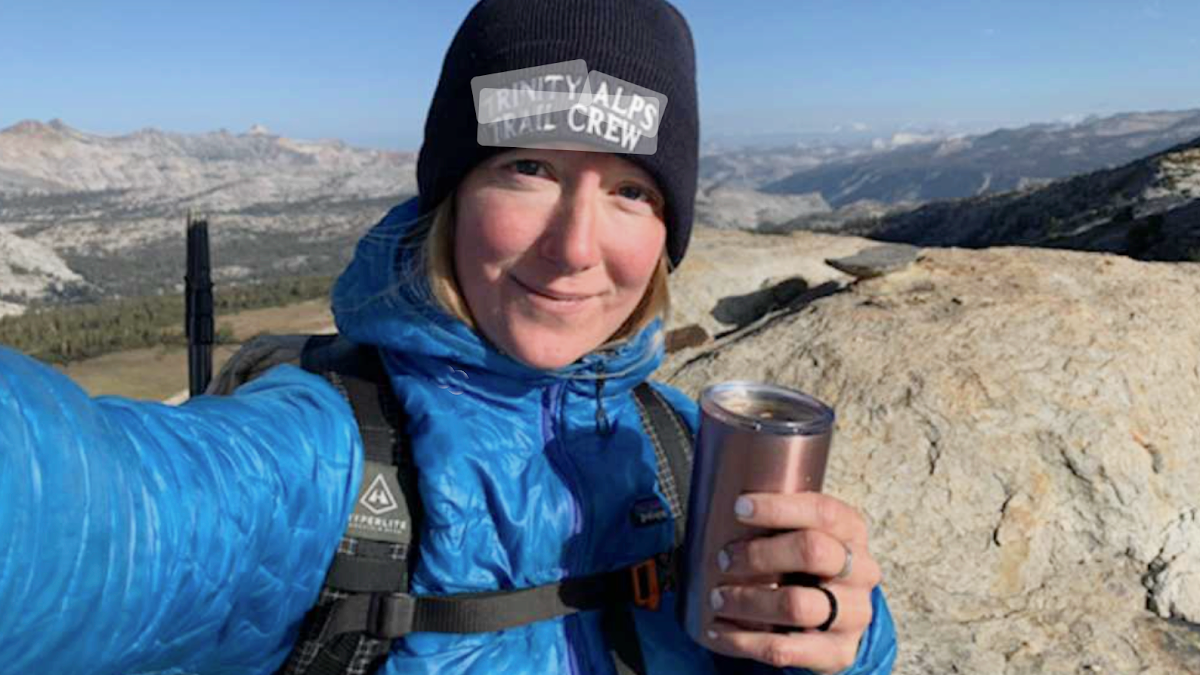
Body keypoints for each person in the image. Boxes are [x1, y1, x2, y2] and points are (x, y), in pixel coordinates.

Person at [0, 1, 896, 674]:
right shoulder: (325, 456)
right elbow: (98, 511)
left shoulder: (683, 453)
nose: (577, 247)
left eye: (631, 190)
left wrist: (848, 633)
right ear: (452, 199)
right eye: (528, 168)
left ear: (667, 229)